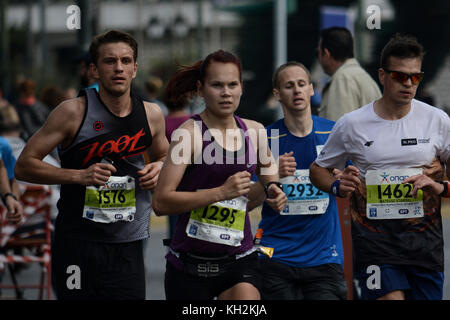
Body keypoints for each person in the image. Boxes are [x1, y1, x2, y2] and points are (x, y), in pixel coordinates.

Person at [14, 29, 169, 300]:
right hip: (77, 243)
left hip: (128, 246)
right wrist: (79, 175)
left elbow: (166, 158)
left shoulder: (151, 114)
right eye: (110, 61)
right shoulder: (72, 112)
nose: (118, 68)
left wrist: (159, 167)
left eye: (125, 61)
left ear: (135, 68)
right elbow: (24, 165)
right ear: (94, 70)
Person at [309, 34, 450, 300]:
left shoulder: (437, 120)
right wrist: (338, 186)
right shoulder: (352, 124)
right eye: (400, 76)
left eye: (415, 77)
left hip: (424, 245)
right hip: (375, 242)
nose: (408, 83)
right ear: (382, 75)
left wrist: (438, 186)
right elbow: (318, 170)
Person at [152, 49, 287, 300]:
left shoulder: (255, 132)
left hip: (239, 262)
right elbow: (161, 202)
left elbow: (269, 179)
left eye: (232, 84)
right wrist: (221, 193)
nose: (226, 92)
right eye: (217, 85)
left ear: (241, 87)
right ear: (201, 89)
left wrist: (275, 191)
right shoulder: (188, 134)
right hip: (189, 266)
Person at [248, 61, 347, 300]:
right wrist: (271, 177)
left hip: (324, 256)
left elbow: (354, 183)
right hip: (274, 255)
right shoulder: (266, 137)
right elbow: (247, 202)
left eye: (302, 84)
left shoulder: (333, 132)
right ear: (277, 94)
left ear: (312, 89)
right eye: (289, 86)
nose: (297, 90)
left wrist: (343, 179)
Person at [317, 27, 381, 121]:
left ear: (326, 53)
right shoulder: (363, 77)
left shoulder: (342, 79)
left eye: (317, 53)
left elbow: (338, 130)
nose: (318, 58)